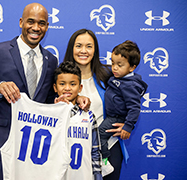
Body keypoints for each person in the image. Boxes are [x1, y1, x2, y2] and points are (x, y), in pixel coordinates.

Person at [0, 3, 89, 180]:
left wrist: (70, 100)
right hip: (3, 143)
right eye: (30, 22)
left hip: (37, 149)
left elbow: (48, 99)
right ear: (21, 22)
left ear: (47, 26)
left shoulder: (51, 60)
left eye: (41, 23)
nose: (35, 28)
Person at [63, 28, 125, 180]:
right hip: (72, 150)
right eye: (79, 46)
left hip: (108, 149)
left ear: (95, 50)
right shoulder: (60, 77)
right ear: (72, 48)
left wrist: (128, 124)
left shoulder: (109, 75)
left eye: (89, 46)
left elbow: (131, 97)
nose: (83, 51)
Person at [98, 40, 148, 174]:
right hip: (112, 115)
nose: (114, 68)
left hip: (115, 118)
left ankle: (104, 162)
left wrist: (128, 126)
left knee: (99, 135)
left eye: (119, 65)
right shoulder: (119, 78)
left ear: (132, 67)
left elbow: (134, 108)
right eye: (113, 63)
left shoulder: (130, 85)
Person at [53, 61, 102, 180]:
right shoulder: (48, 115)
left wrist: (98, 176)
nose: (67, 88)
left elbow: (95, 151)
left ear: (80, 87)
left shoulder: (89, 116)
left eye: (73, 84)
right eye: (62, 84)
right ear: (55, 87)